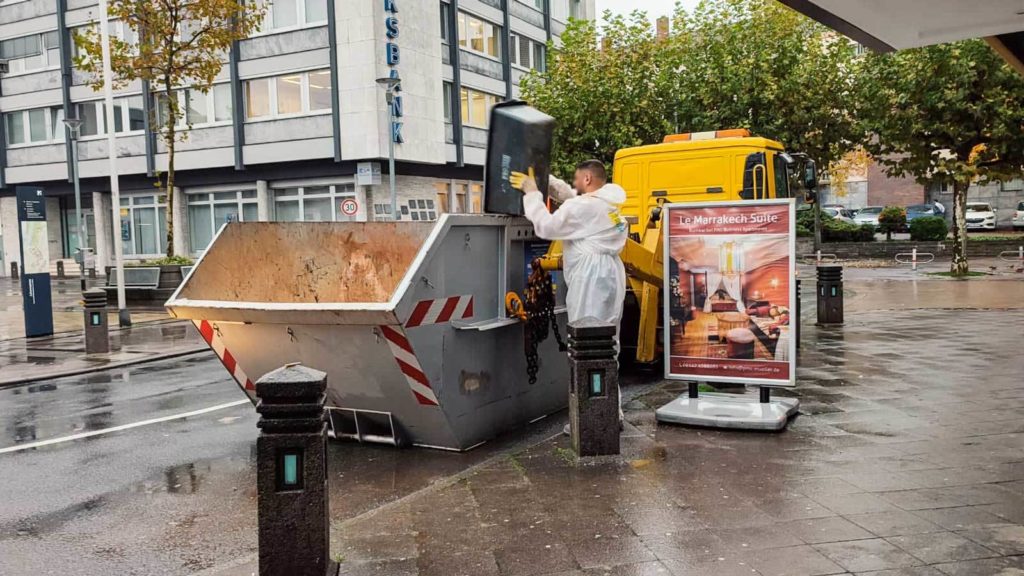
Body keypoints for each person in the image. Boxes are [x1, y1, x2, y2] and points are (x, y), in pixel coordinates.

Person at [510, 159, 629, 427]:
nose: (575, 184)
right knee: (609, 347)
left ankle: (590, 420)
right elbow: (573, 199)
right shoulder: (607, 205)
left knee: (585, 348)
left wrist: (532, 193)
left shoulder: (584, 207)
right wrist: (547, 180)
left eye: (577, 179)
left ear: (587, 179)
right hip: (610, 277)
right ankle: (611, 411)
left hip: (590, 281)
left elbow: (546, 227)